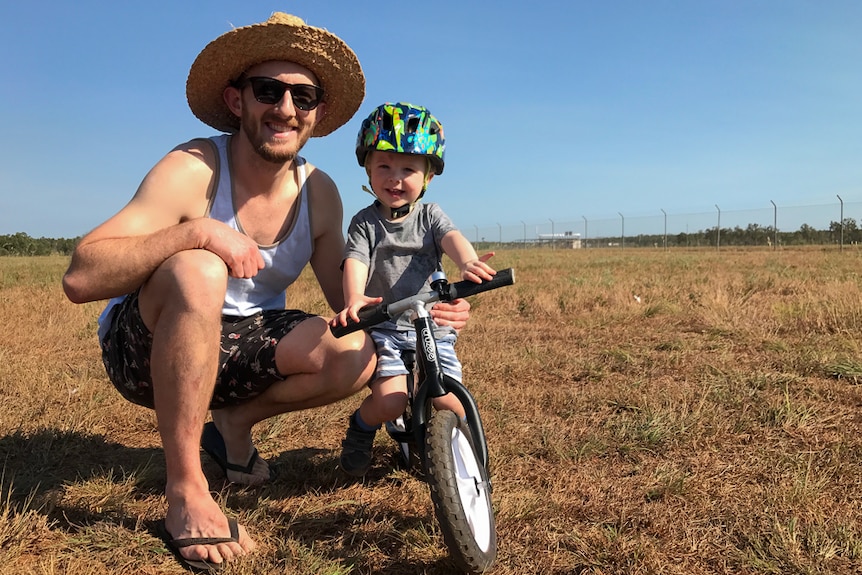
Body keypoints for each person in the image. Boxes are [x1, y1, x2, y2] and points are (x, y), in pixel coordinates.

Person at [61, 13, 472, 572]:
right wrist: (199, 232)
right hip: (146, 347)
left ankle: (232, 424)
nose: (285, 108)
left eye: (303, 96)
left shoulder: (318, 193)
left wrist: (431, 300)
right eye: (267, 90)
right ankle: (186, 488)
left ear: (318, 115)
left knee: (358, 351)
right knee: (200, 269)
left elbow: (351, 302)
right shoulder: (193, 167)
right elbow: (81, 275)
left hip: (241, 348)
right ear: (236, 101)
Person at [331, 102, 496, 477]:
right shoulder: (365, 223)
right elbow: (355, 260)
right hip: (387, 327)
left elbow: (451, 238)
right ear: (368, 170)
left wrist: (467, 262)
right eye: (384, 166)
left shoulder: (431, 215)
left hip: (432, 321)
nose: (395, 177)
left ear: (427, 178)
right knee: (390, 401)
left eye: (408, 169)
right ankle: (361, 427)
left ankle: (460, 459)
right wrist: (354, 297)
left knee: (448, 399)